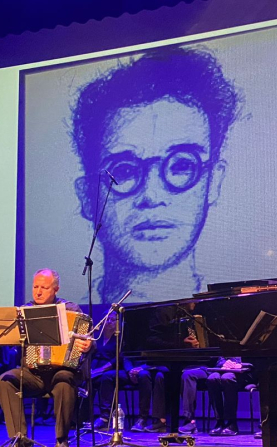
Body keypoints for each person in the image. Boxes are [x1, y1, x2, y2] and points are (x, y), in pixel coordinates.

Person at [71, 46, 241, 303]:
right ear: (86, 196)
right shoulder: (76, 323)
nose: (151, 195)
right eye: (124, 170)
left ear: (214, 181)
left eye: (182, 166)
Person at [0, 269, 94, 447]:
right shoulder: (24, 311)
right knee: (4, 380)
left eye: (44, 287)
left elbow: (89, 341)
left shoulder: (70, 309)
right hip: (33, 373)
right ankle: (20, 441)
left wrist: (88, 345)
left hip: (62, 372)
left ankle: (61, 440)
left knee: (65, 378)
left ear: (55, 289)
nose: (38, 291)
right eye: (35, 287)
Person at [179, 357, 250, 436]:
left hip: (240, 369)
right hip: (218, 367)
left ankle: (231, 422)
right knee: (212, 379)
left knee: (227, 378)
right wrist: (223, 363)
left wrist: (238, 364)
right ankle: (219, 421)